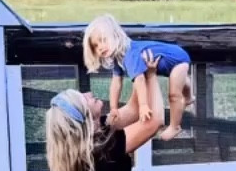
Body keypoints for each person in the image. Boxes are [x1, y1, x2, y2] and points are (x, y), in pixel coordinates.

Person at [83, 14, 193, 142]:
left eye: (103, 40)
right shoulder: (118, 57)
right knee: (180, 79)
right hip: (173, 63)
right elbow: (116, 82)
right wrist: (113, 108)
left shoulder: (130, 55)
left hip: (178, 60)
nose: (100, 47)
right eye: (95, 46)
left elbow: (140, 80)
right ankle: (189, 97)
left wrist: (144, 106)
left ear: (116, 35)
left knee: (174, 95)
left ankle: (175, 126)